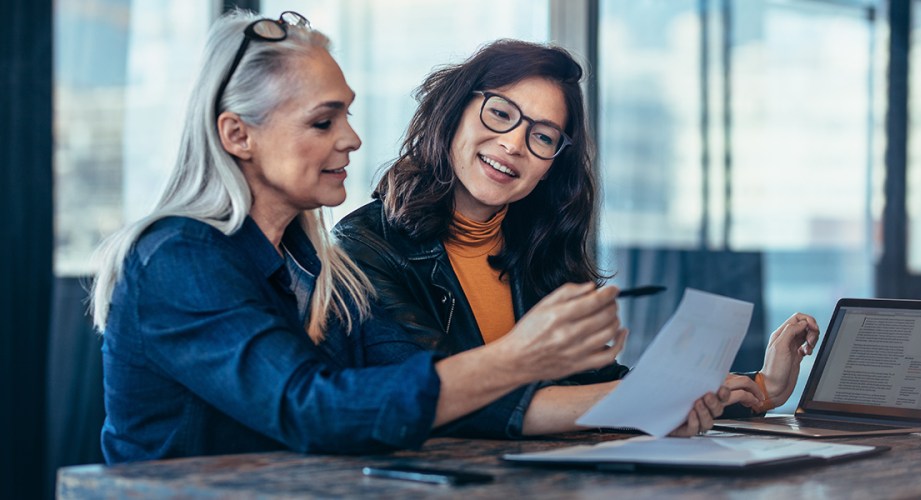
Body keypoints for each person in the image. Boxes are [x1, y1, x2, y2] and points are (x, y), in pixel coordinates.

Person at [89, 11, 725, 464]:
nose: (352, 139)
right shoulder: (178, 257)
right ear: (237, 135)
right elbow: (314, 410)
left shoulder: (312, 264)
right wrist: (519, 357)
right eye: (322, 120)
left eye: (347, 113)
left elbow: (410, 389)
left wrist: (698, 395)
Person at [334, 39, 821, 424]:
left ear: (552, 163)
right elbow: (438, 399)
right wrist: (640, 402)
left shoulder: (540, 249)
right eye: (500, 113)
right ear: (454, 111)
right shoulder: (364, 246)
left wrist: (760, 388)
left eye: (542, 136)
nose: (513, 144)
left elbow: (596, 385)